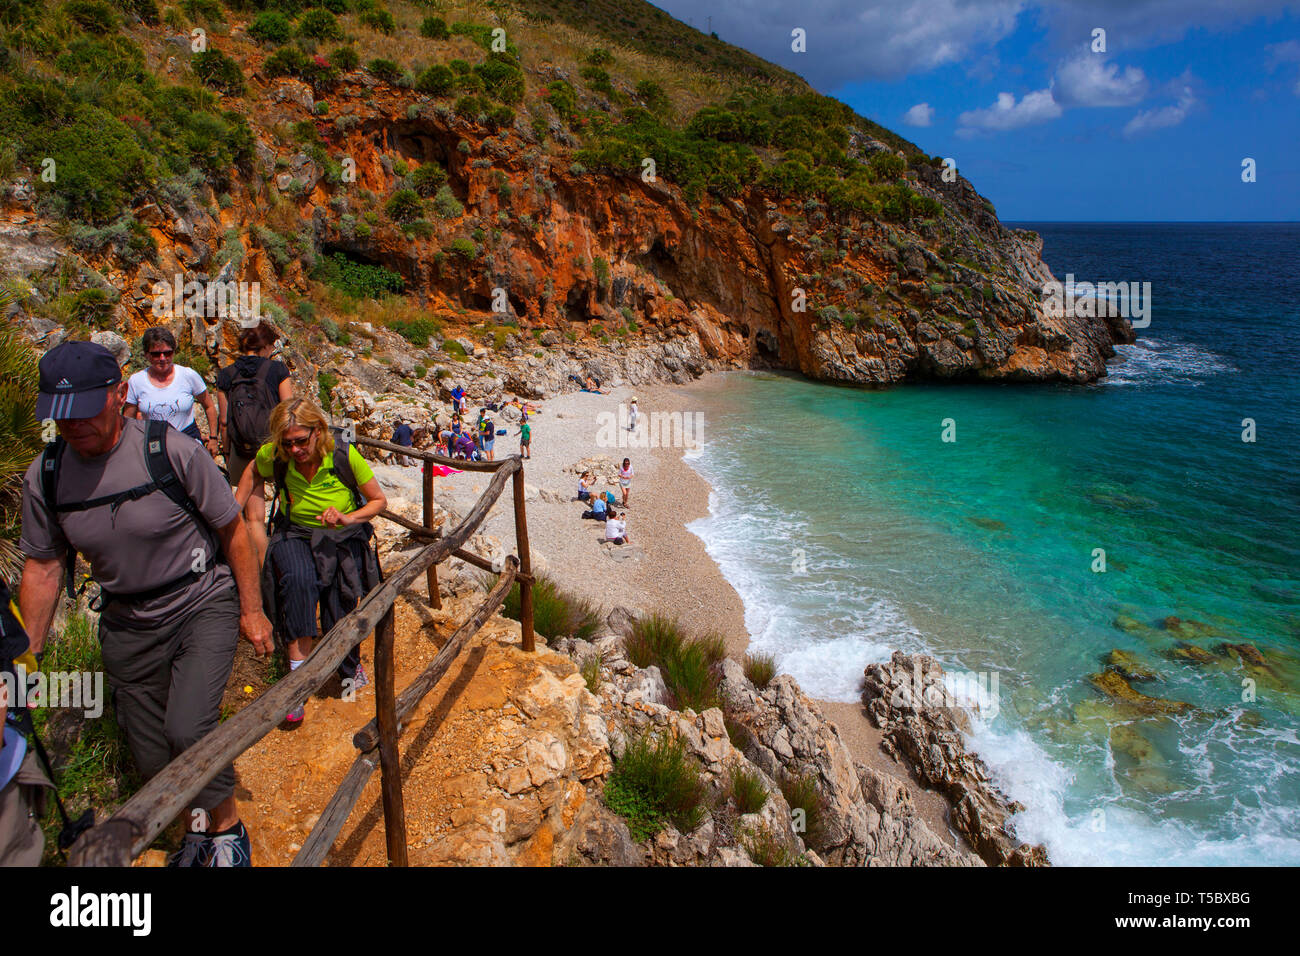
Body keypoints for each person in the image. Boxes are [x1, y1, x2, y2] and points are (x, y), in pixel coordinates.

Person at [19, 341, 273, 867]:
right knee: (152, 748)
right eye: (58, 416)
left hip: (199, 602)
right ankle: (195, 832)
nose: (71, 426)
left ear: (118, 394)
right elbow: (44, 567)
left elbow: (231, 529)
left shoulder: (170, 450)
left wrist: (251, 610)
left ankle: (227, 831)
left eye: (84, 411)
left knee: (188, 727)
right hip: (126, 622)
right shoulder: (45, 478)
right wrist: (28, 658)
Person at [237, 399, 387, 724]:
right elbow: (252, 469)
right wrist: (232, 511)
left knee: (339, 603)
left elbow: (378, 500)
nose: (294, 450)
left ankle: (347, 667)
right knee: (299, 582)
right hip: (294, 532)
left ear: (318, 432)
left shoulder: (344, 456)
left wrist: (348, 517)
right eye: (287, 443)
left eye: (301, 441)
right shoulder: (276, 454)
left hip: (338, 538)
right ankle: (296, 684)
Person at [215, 320, 293, 564]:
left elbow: (225, 421)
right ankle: (287, 561)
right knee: (290, 506)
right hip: (275, 446)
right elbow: (289, 410)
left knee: (254, 518)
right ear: (267, 346)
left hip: (243, 448)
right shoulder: (277, 370)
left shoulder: (226, 375)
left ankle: (260, 573)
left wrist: (228, 453)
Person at [124, 327, 219, 457]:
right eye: (156, 354)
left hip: (188, 444)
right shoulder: (136, 381)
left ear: (174, 352)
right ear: (147, 355)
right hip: (155, 448)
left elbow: (209, 406)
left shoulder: (188, 375)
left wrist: (213, 438)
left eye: (167, 353)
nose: (162, 358)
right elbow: (128, 419)